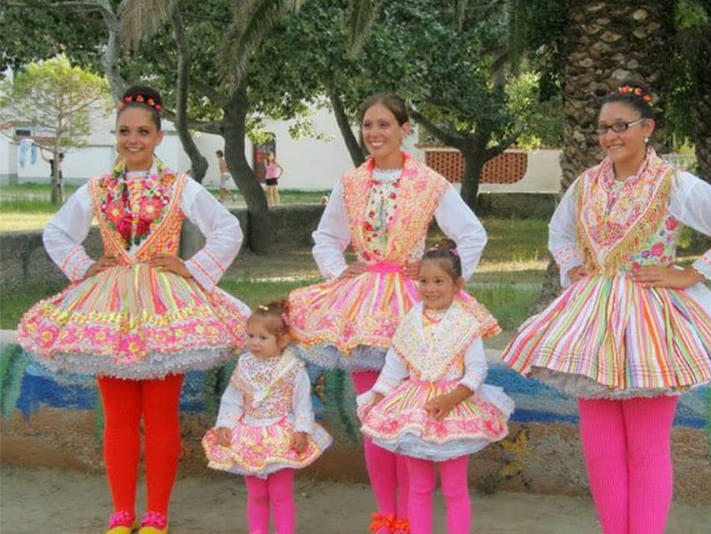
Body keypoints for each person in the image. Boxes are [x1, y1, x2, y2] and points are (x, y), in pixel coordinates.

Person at [501, 80, 711, 534]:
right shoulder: (586, 185)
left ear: (648, 128)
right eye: (603, 128)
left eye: (620, 126)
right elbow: (559, 233)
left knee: (646, 447)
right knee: (601, 448)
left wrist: (691, 273)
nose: (610, 137)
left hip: (651, 321)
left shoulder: (673, 184)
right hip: (592, 319)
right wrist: (574, 269)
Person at [16, 85, 249, 534]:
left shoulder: (180, 186)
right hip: (111, 307)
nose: (133, 140)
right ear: (117, 136)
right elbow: (56, 233)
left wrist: (192, 269)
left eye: (143, 131)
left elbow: (227, 228)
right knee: (119, 415)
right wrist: (83, 267)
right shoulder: (98, 188)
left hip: (166, 309)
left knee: (161, 414)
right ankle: (122, 514)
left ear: (159, 136)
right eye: (124, 131)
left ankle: (156, 515)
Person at [287, 93, 499, 534]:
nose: (374, 133)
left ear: (405, 130)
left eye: (384, 124)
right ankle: (389, 517)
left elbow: (472, 235)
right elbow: (326, 237)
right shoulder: (349, 183)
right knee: (377, 412)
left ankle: (413, 515)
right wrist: (339, 273)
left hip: (411, 302)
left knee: (414, 410)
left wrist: (439, 272)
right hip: (363, 306)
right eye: (368, 125)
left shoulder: (429, 182)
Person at [357, 241, 513, 534]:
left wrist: (453, 397)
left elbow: (477, 369)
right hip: (414, 410)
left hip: (453, 409)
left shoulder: (467, 324)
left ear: (457, 285)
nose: (430, 288)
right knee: (418, 486)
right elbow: (394, 366)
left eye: (439, 281)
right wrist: (377, 396)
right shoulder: (409, 322)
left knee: (454, 488)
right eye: (424, 281)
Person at [203, 300, 332, 534]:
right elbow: (233, 398)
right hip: (249, 436)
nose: (254, 342)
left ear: (282, 340)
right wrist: (225, 424)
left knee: (281, 494)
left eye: (262, 338)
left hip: (281, 435)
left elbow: (302, 405)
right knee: (256, 493)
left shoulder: (293, 368)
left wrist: (302, 431)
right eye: (251, 336)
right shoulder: (244, 365)